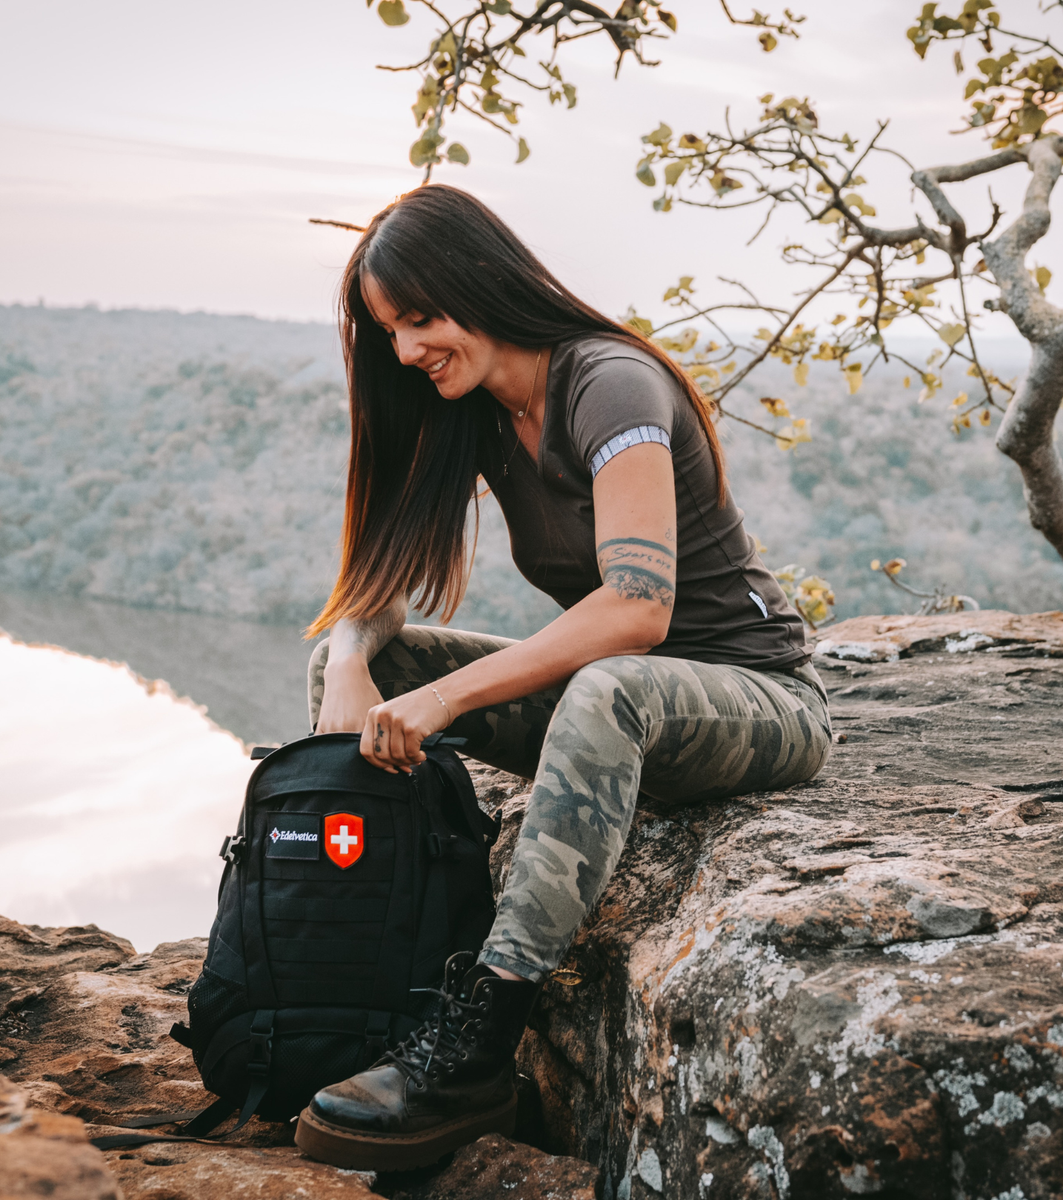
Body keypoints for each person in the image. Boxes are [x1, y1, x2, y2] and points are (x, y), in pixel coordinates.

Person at [293, 184, 831, 1170]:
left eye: (419, 319)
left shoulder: (609, 384)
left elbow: (637, 608)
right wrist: (347, 665)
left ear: (477, 285)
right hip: (623, 713)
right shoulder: (475, 409)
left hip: (755, 702)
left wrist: (450, 698)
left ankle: (478, 1045)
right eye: (391, 331)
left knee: (601, 683)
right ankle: (384, 973)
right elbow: (375, 582)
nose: (408, 351)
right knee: (389, 657)